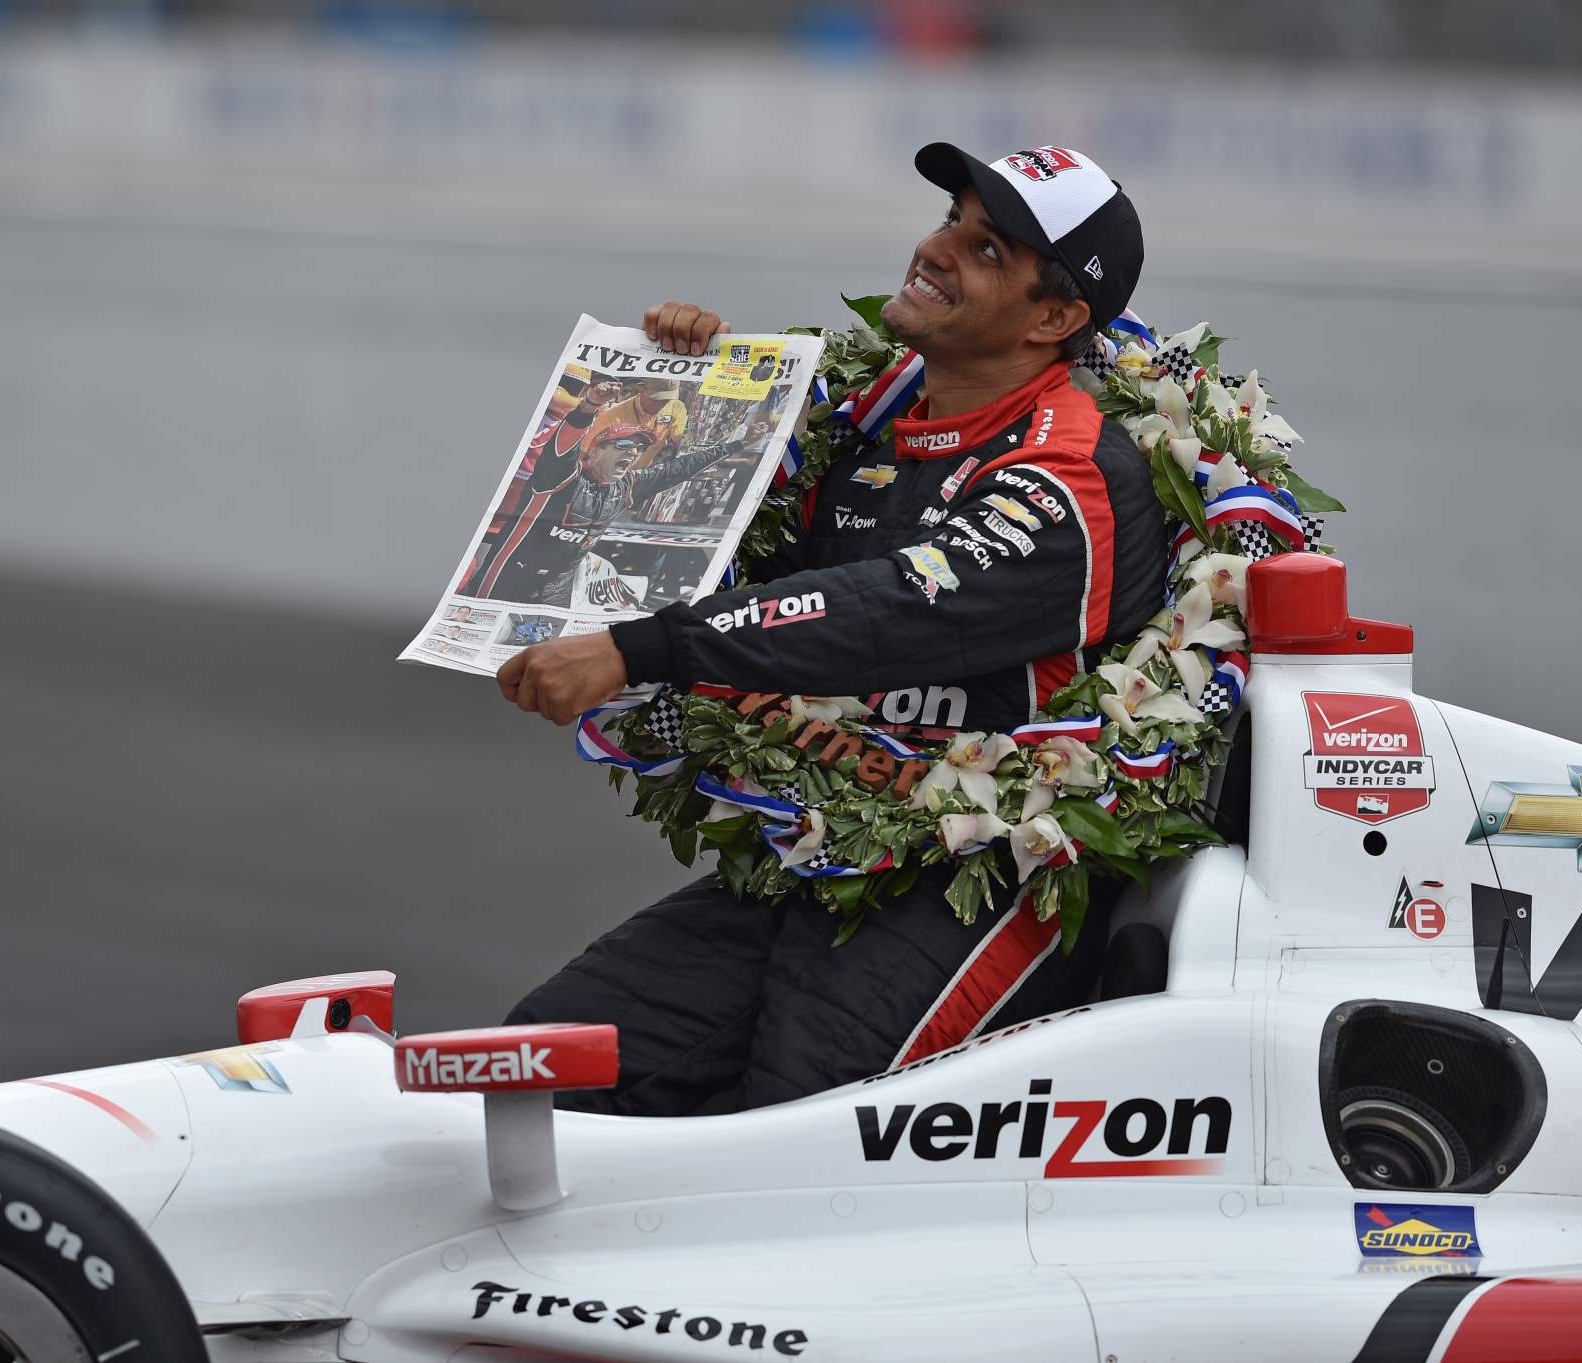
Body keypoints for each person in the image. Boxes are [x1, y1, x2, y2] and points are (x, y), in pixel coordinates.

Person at [495, 143, 1164, 1115]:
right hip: (822, 847)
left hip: (982, 878)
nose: (935, 249)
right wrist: (689, 401)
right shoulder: (862, 428)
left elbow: (886, 609)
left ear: (1055, 319)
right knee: (539, 1068)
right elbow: (745, 583)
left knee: (797, 1121)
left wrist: (634, 650)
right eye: (949, 220)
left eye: (984, 250)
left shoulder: (1068, 478)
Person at [468, 383, 732, 607]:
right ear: (594, 451)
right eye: (625, 445)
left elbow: (678, 469)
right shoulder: (562, 476)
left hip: (555, 591)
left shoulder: (627, 485)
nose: (633, 453)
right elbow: (562, 447)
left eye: (639, 448)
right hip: (508, 578)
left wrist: (737, 444)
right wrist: (589, 405)